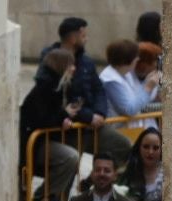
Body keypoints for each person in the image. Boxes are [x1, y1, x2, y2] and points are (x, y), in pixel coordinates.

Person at [38, 17, 132, 163]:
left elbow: (98, 89)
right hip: (70, 130)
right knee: (70, 165)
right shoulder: (52, 60)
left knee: (122, 145)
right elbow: (63, 98)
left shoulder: (86, 61)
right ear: (74, 38)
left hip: (93, 126)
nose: (86, 39)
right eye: (83, 35)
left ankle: (94, 181)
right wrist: (88, 117)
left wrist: (100, 113)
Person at [20, 50, 85, 201]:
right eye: (70, 65)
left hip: (44, 139)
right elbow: (42, 118)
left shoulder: (59, 85)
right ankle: (44, 196)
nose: (74, 69)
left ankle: (52, 197)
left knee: (73, 158)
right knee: (70, 157)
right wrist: (62, 117)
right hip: (34, 142)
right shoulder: (45, 88)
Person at [100, 39, 159, 131]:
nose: (138, 60)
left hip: (132, 130)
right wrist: (148, 87)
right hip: (119, 131)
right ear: (128, 60)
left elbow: (137, 98)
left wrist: (148, 82)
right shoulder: (111, 80)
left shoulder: (125, 73)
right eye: (136, 57)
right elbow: (129, 109)